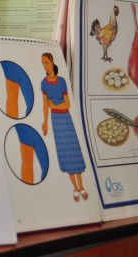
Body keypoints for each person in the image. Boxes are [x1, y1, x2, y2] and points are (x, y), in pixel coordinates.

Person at [40, 52, 87, 202]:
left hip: (66, 117)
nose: (44, 65)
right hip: (55, 120)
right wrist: (45, 122)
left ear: (52, 61)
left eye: (46, 62)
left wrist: (54, 105)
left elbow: (67, 104)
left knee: (73, 149)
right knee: (64, 151)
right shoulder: (43, 83)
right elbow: (44, 104)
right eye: (43, 63)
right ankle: (75, 188)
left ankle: (82, 186)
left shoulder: (61, 81)